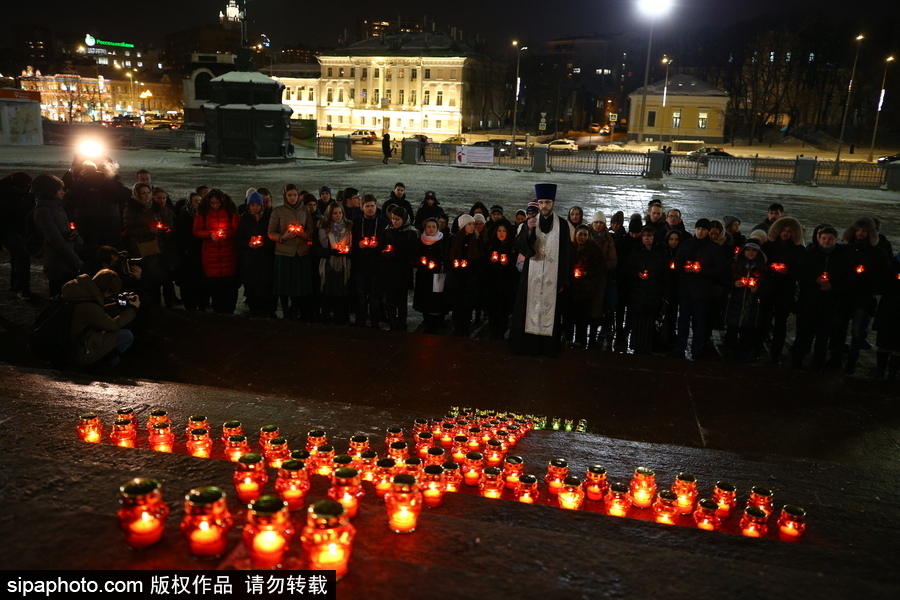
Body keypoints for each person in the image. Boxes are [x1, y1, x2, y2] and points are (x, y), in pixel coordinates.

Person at [509, 184, 573, 357]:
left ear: (553, 203)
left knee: (550, 312)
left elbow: (567, 253)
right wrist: (529, 230)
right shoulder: (529, 223)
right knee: (528, 310)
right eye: (542, 202)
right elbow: (521, 248)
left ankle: (547, 348)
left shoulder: (563, 225)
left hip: (553, 278)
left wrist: (563, 279)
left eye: (547, 202)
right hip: (531, 276)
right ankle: (527, 346)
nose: (544, 205)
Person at [830, 216, 890, 374]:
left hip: (863, 299)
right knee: (839, 330)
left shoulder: (879, 253)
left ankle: (851, 361)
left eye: (864, 230)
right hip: (844, 297)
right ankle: (836, 358)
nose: (860, 233)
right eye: (858, 230)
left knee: (858, 333)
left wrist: (866, 276)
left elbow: (883, 277)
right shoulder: (844, 250)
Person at [791, 226, 850, 371]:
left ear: (836, 239)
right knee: (804, 333)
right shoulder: (809, 255)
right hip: (809, 301)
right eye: (824, 238)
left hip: (830, 303)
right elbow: (799, 273)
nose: (827, 241)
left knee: (824, 336)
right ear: (818, 239)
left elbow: (848, 278)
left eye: (830, 239)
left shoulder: (843, 257)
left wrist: (833, 286)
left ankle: (818, 363)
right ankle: (797, 360)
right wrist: (814, 280)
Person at [61, 269, 139, 368]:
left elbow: (97, 314)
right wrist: (133, 309)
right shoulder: (89, 306)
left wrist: (116, 306)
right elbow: (113, 325)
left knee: (114, 358)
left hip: (68, 343)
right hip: (79, 350)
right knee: (126, 336)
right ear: (107, 291)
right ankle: (93, 366)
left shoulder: (79, 292)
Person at [674, 218, 727, 360]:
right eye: (698, 229)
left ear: (708, 231)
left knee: (699, 323)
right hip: (686, 290)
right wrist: (684, 269)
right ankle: (680, 349)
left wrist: (702, 271)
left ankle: (697, 351)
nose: (700, 232)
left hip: (702, 292)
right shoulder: (686, 244)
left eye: (703, 229)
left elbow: (719, 270)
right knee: (683, 321)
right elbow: (678, 262)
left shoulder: (714, 249)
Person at [759, 216, 804, 364]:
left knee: (780, 323)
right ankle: (758, 348)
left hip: (785, 290)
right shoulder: (768, 246)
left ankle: (776, 353)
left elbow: (801, 271)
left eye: (789, 231)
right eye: (783, 230)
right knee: (763, 320)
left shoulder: (798, 250)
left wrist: (788, 272)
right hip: (768, 288)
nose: (785, 233)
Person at [269, 184, 316, 321]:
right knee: (284, 285)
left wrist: (303, 234)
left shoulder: (305, 211)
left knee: (298, 285)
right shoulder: (278, 211)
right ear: (285, 196)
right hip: (284, 253)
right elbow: (271, 232)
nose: (292, 198)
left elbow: (311, 231)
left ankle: (296, 309)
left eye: (294, 195)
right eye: (289, 195)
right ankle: (285, 311)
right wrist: (283, 238)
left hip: (301, 252)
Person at [31, 174, 83, 297]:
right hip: (57, 263)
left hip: (66, 261)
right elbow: (55, 240)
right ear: (50, 191)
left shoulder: (57, 207)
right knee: (59, 297)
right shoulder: (43, 211)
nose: (63, 192)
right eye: (59, 189)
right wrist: (77, 262)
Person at [193, 189, 240, 314]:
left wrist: (226, 235)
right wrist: (210, 234)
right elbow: (196, 231)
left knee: (229, 286)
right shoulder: (202, 213)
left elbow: (236, 230)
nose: (215, 206)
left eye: (217, 203)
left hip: (228, 253)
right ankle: (218, 311)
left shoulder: (231, 212)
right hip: (211, 255)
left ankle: (230, 310)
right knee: (215, 287)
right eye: (212, 203)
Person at [723, 243, 769, 363]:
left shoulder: (763, 268)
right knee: (731, 330)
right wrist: (733, 284)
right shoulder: (734, 264)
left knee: (747, 333)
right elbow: (723, 279)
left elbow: (770, 286)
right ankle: (729, 355)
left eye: (753, 251)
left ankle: (743, 356)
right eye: (748, 250)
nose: (750, 253)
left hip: (753, 305)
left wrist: (758, 290)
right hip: (734, 303)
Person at [625, 226, 667, 354]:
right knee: (638, 322)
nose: (647, 239)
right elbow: (628, 269)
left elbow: (664, 273)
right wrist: (637, 274)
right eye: (644, 236)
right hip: (638, 292)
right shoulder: (636, 252)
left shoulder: (660, 253)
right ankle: (637, 346)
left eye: (649, 236)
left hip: (653, 291)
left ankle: (649, 346)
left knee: (650, 321)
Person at [237, 192, 276, 318]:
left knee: (266, 285)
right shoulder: (244, 220)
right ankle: (254, 310)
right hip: (250, 260)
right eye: (252, 205)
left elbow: (272, 238)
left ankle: (268, 310)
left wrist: (264, 244)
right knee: (252, 286)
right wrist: (248, 244)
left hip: (265, 259)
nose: (255, 208)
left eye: (257, 205)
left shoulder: (268, 219)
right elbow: (238, 240)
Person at [351, 194, 389, 327]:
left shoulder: (383, 223)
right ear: (362, 207)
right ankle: (360, 322)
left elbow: (387, 243)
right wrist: (358, 244)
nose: (370, 209)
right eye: (367, 206)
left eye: (372, 206)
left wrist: (378, 246)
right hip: (360, 264)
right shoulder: (356, 223)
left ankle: (374, 323)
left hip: (376, 265)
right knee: (361, 295)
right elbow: (351, 240)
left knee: (375, 296)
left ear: (376, 206)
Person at [380, 207, 418, 331]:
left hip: (402, 271)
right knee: (389, 299)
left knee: (401, 300)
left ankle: (402, 324)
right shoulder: (387, 231)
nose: (394, 222)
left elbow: (412, 254)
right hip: (388, 270)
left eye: (397, 219)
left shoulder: (410, 233)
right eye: (393, 219)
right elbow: (381, 246)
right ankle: (392, 324)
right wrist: (383, 253)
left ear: (404, 219)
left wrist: (396, 254)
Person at [316, 201, 353, 325]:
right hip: (328, 263)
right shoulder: (323, 227)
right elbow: (316, 248)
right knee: (327, 289)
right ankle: (326, 316)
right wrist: (330, 252)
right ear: (329, 214)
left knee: (342, 290)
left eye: (340, 213)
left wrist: (347, 252)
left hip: (344, 263)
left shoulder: (348, 226)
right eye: (335, 213)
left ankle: (341, 317)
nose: (338, 216)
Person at [482, 219, 519, 341]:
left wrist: (508, 264)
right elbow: (484, 266)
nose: (501, 233)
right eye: (499, 231)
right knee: (493, 312)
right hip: (492, 285)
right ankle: (493, 332)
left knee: (503, 313)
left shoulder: (513, 247)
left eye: (504, 231)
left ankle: (501, 333)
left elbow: (516, 268)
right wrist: (492, 264)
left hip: (506, 286)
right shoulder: (490, 245)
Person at [446, 214, 483, 337]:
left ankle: (465, 329)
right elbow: (448, 258)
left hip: (470, 281)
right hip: (456, 280)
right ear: (462, 226)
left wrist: (469, 265)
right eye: (469, 224)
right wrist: (455, 265)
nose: (472, 227)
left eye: (473, 224)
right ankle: (457, 329)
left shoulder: (477, 241)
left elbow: (480, 260)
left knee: (467, 307)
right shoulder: (454, 240)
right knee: (457, 308)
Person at [567, 225, 602, 348]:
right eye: (580, 234)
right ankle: (568, 338)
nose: (582, 237)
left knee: (581, 317)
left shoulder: (594, 250)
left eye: (585, 235)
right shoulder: (570, 249)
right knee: (569, 315)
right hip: (571, 288)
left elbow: (598, 269)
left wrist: (585, 273)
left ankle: (580, 340)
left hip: (585, 289)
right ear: (575, 235)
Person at [0, 171, 34, 298]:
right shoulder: (6, 196)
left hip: (12, 229)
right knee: (22, 256)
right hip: (7, 229)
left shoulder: (7, 189)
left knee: (18, 257)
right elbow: (15, 214)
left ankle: (17, 286)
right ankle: (22, 287)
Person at [413, 217, 450, 334]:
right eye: (428, 227)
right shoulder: (420, 240)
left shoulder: (442, 240)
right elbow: (415, 256)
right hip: (424, 274)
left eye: (434, 227)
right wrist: (420, 261)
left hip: (437, 275)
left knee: (435, 299)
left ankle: (435, 322)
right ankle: (426, 319)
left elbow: (445, 256)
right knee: (424, 296)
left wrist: (438, 264)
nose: (431, 229)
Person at [175, 192, 209, 312]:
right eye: (196, 201)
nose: (198, 203)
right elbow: (181, 237)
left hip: (201, 253)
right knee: (188, 282)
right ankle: (190, 305)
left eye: (200, 201)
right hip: (188, 255)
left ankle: (202, 304)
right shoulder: (184, 217)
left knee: (201, 281)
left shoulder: (203, 215)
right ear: (190, 203)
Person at [588, 211, 617, 347]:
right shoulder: (586, 235)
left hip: (600, 278)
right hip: (586, 278)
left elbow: (613, 259)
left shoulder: (608, 239)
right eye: (596, 222)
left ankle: (593, 336)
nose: (598, 225)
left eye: (601, 222)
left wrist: (605, 266)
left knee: (597, 306)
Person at [873, 250, 900, 379]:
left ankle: (892, 373)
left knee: (897, 344)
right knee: (883, 343)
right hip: (888, 308)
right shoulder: (892, 264)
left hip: (893, 309)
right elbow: (882, 284)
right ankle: (880, 371)